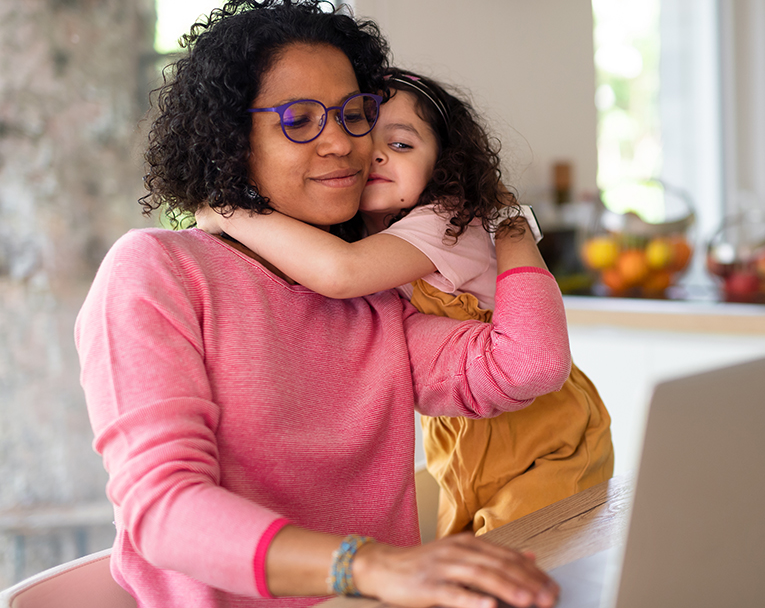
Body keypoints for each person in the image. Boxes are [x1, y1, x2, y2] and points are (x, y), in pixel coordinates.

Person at [75, 0, 567, 608]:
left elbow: (527, 365)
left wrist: (507, 217)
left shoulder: (375, 295)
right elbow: (163, 511)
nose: (343, 144)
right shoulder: (158, 269)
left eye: (353, 113)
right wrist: (369, 568)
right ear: (230, 139)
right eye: (300, 120)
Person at [196, 68, 615, 538]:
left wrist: (229, 211)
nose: (373, 153)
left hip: (548, 440)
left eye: (400, 145)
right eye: (363, 137)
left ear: (442, 166)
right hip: (464, 442)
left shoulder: (448, 220)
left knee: (511, 576)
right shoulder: (377, 236)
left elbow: (341, 273)